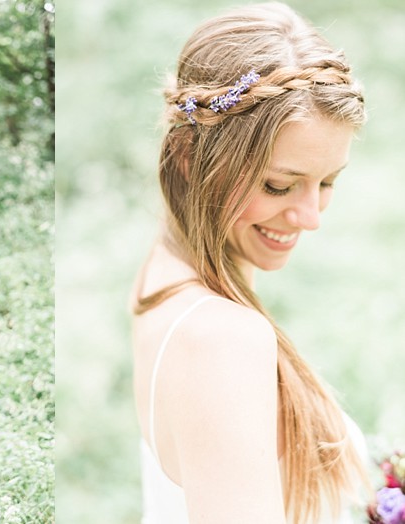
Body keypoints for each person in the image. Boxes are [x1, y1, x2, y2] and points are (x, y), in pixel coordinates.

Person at [131, 3, 370, 523]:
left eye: (327, 182)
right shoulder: (224, 338)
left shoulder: (163, 272)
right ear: (191, 158)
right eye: (279, 185)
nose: (310, 218)